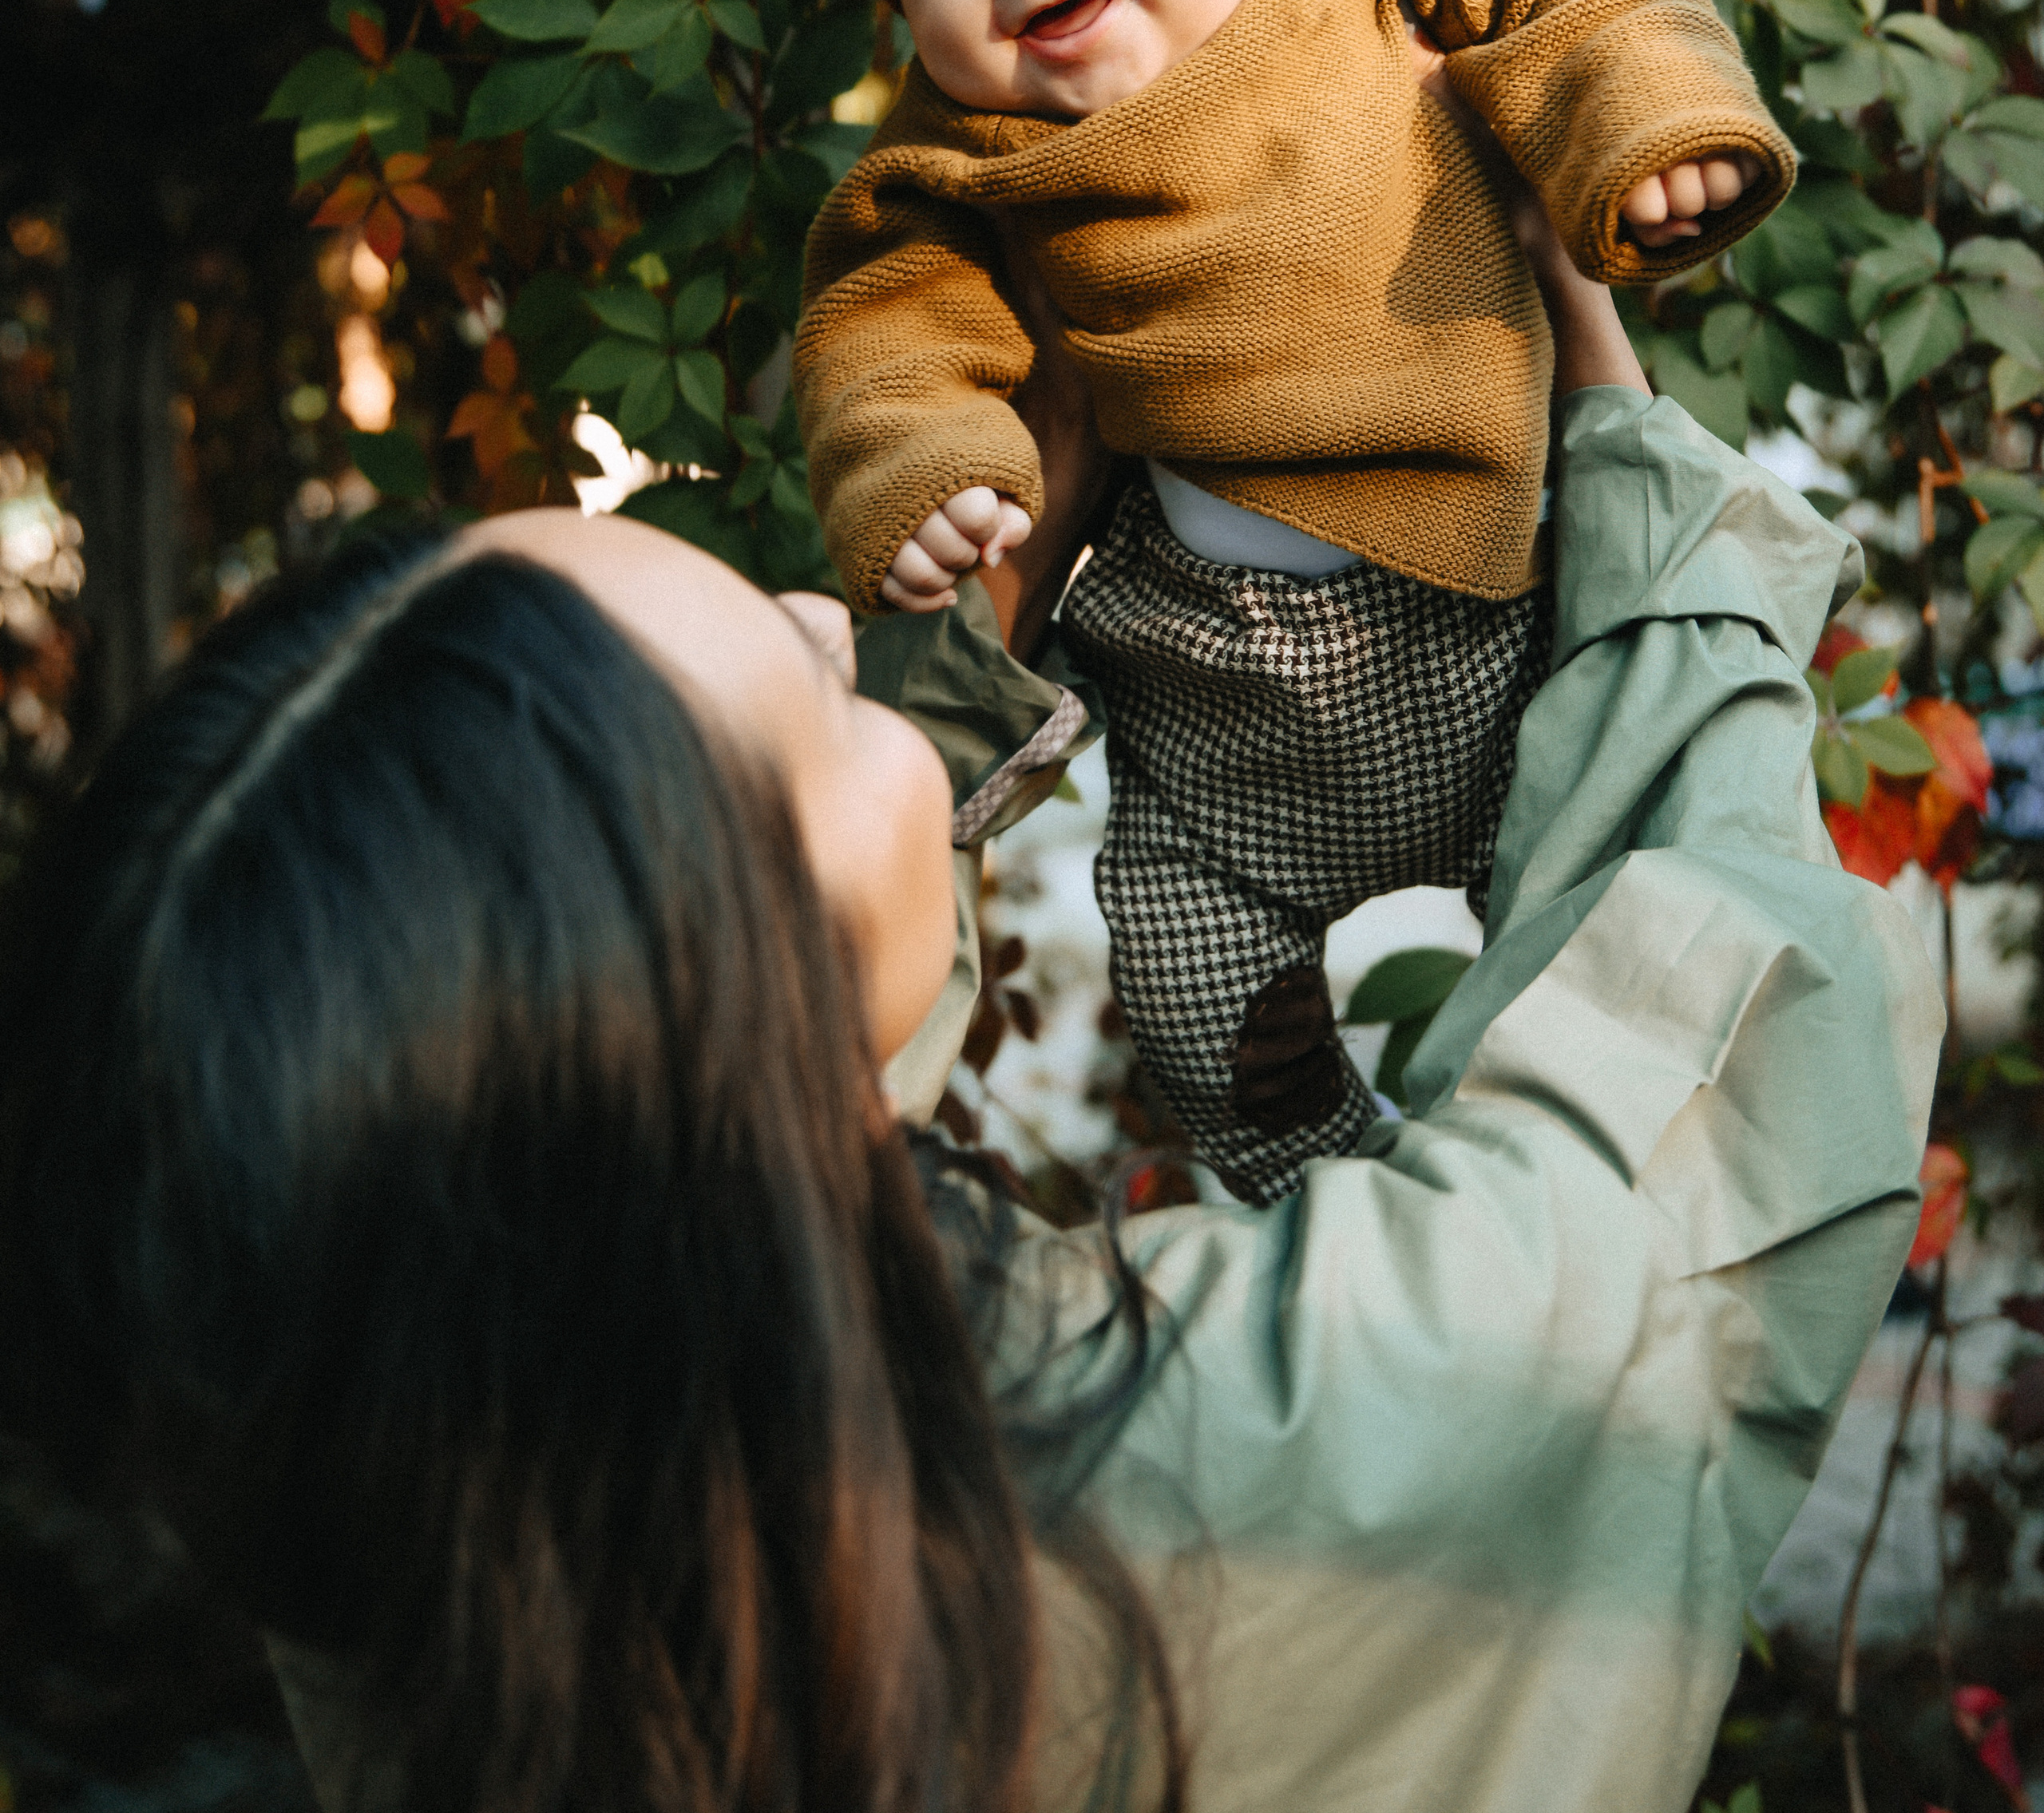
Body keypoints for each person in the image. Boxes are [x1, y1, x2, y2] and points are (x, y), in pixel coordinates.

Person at [0, 218, 1939, 1813]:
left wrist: (978, 617)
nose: (828, 614)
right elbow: (1682, 1141)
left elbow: (753, 1071)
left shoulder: (370, 1446)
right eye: (801, 685)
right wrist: (1596, 395)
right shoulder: (1251, 1459)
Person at [795, 0, 1796, 1197]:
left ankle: (1577, 1198)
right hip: (1212, 713)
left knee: (1615, 935)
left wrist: (1648, 130)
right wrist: (927, 473)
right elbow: (886, 322)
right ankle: (1326, 1196)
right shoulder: (954, 156)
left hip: (1493, 630)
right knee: (1190, 988)